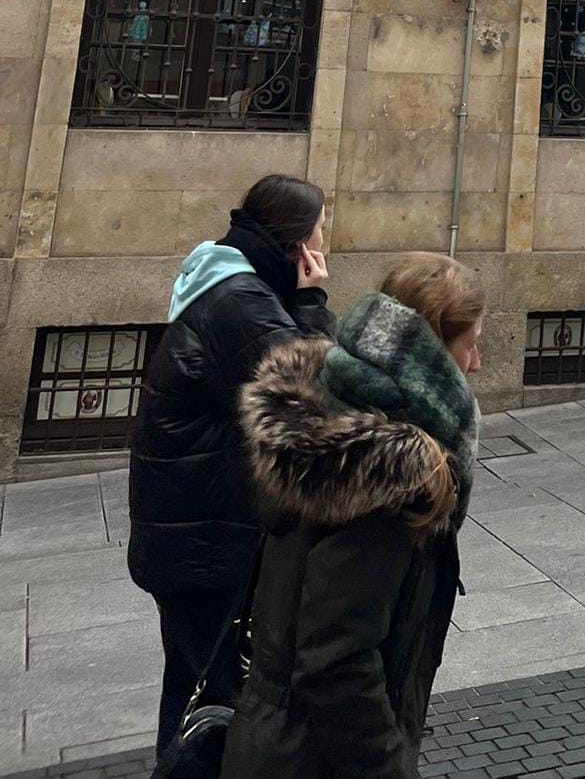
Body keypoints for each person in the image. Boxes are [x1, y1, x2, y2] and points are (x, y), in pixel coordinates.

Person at [221, 253, 483, 778]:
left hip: (275, 738)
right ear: (431, 349)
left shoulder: (325, 405)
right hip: (314, 759)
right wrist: (389, 767)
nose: (475, 362)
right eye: (469, 343)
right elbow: (336, 662)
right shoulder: (391, 473)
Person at [130, 175, 335, 754]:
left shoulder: (226, 281)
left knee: (200, 686)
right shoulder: (242, 302)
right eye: (321, 227)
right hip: (209, 538)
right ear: (297, 241)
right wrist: (313, 302)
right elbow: (314, 398)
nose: (326, 239)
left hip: (193, 531)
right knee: (211, 702)